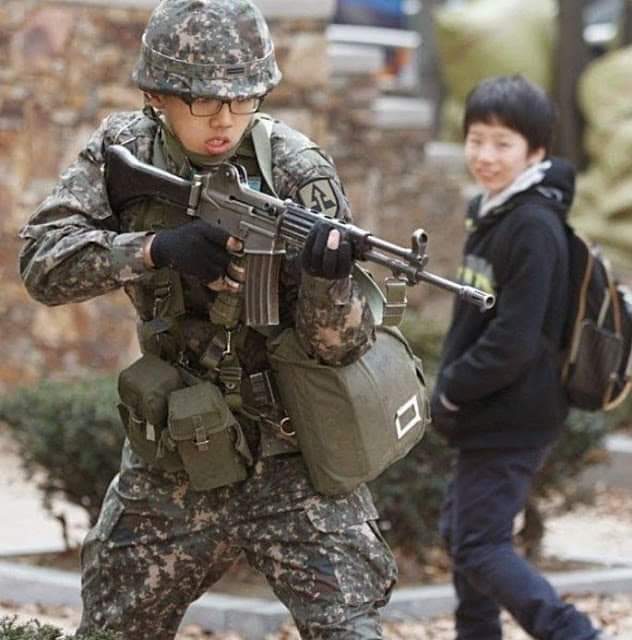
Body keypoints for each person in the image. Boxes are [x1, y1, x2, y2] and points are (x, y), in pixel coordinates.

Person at [18, 1, 397, 638]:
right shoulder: (124, 153)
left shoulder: (298, 171)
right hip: (175, 453)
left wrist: (327, 281)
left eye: (243, 98)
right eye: (202, 101)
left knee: (351, 629)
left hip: (292, 455)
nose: (225, 119)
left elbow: (340, 348)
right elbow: (42, 264)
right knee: (113, 628)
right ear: (156, 95)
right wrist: (154, 250)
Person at [430, 75, 612, 640]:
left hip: (512, 411)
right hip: (491, 408)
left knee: (479, 545)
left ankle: (575, 634)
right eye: (476, 139)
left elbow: (515, 339)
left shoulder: (532, 225)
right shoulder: (493, 211)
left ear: (536, 152)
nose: (485, 155)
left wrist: (452, 387)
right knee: (462, 534)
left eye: (502, 144)